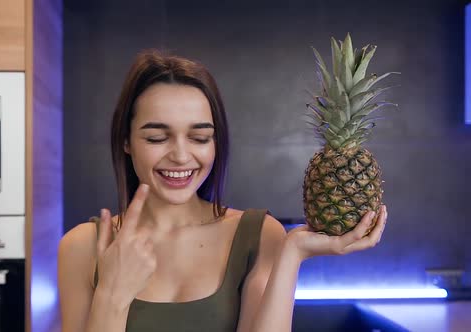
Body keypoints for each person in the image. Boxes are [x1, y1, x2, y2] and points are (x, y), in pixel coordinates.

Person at [57, 50, 387, 332]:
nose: (182, 156)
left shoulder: (259, 236)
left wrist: (293, 254)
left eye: (200, 138)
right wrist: (111, 296)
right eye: (157, 138)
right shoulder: (82, 246)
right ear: (126, 141)